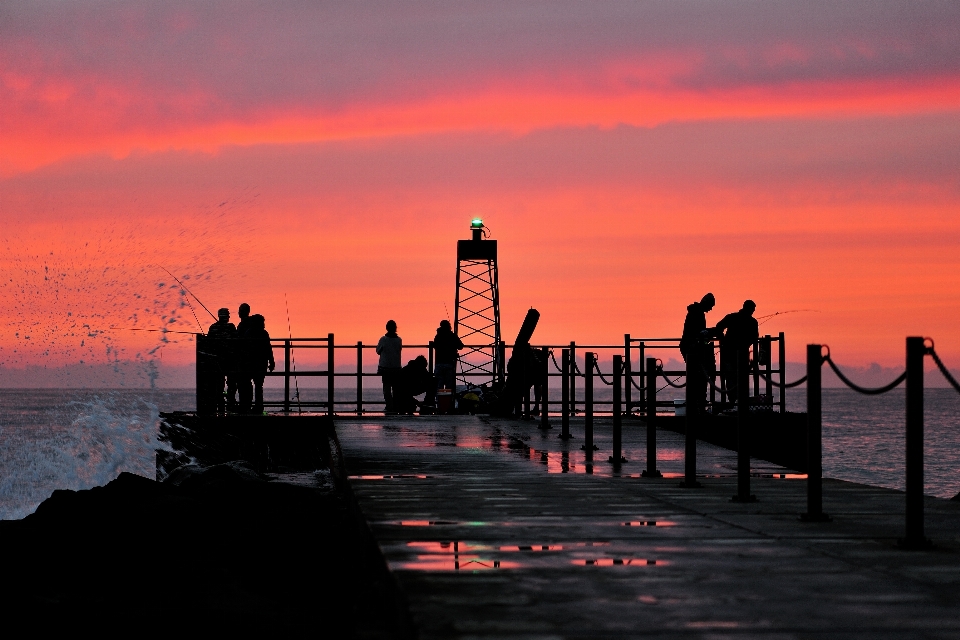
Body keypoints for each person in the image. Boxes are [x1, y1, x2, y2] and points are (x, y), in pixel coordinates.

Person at [715, 300, 759, 406]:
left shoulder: (731, 317)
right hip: (741, 355)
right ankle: (740, 402)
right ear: (750, 309)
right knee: (741, 378)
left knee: (730, 378)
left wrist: (723, 340)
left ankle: (732, 402)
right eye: (752, 310)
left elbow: (718, 327)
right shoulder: (752, 322)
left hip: (728, 354)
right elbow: (755, 338)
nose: (753, 312)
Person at [679, 293, 718, 408]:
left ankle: (696, 402)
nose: (710, 309)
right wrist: (712, 332)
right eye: (711, 306)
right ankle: (698, 402)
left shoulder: (695, 312)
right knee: (699, 376)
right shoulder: (697, 313)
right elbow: (698, 332)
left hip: (690, 347)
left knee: (696, 375)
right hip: (692, 348)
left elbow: (699, 332)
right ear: (706, 303)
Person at [242, 313, 275, 414]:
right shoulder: (264, 333)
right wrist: (271, 361)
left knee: (248, 385)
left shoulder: (248, 333)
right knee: (258, 385)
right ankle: (259, 406)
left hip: (250, 364)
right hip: (261, 364)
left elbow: (244, 348)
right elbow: (269, 349)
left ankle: (247, 405)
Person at [207, 308, 237, 414]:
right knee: (232, 384)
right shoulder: (231, 327)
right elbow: (236, 341)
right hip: (230, 361)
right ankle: (230, 404)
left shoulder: (213, 328)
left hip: (217, 361)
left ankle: (220, 406)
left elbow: (208, 344)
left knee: (219, 385)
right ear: (227, 317)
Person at [376, 320, 402, 414]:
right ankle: (395, 406)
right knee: (395, 388)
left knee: (386, 388)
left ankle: (389, 406)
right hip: (396, 367)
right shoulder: (399, 340)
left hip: (385, 367)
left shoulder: (383, 339)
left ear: (387, 328)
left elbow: (378, 351)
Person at [432, 319, 463, 392]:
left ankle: (439, 401)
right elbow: (460, 346)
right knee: (449, 386)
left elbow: (435, 346)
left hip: (439, 363)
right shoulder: (452, 335)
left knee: (439, 385)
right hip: (449, 363)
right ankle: (448, 401)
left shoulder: (438, 336)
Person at [232, 302, 252, 408]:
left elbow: (239, 340)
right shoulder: (251, 324)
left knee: (242, 383)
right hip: (249, 358)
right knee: (247, 383)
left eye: (240, 310)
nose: (239, 312)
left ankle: (244, 404)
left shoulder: (243, 325)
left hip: (243, 358)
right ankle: (247, 404)